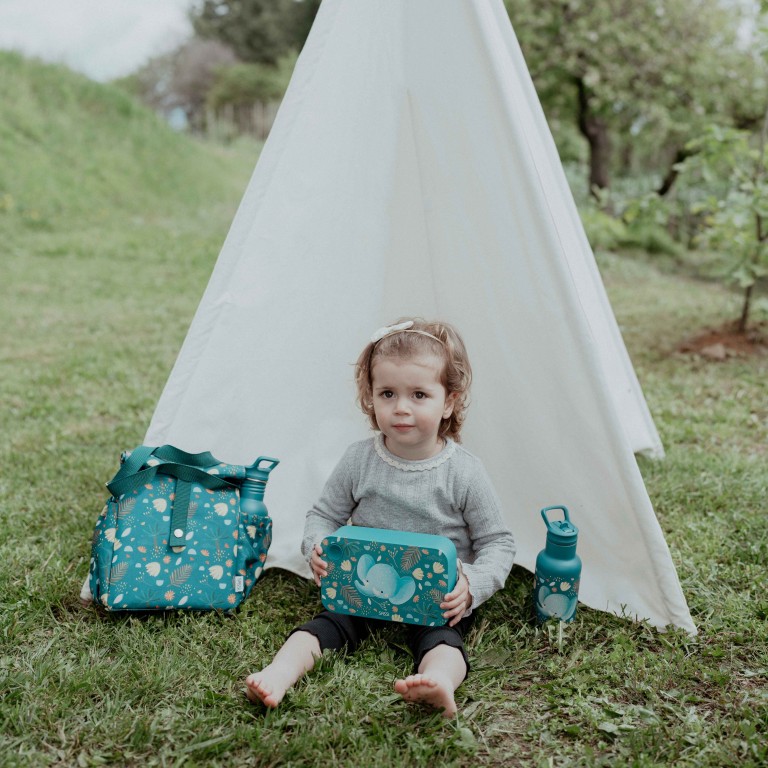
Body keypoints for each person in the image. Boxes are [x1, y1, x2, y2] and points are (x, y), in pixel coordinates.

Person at [246, 318, 515, 717]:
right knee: (327, 626)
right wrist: (316, 545)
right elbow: (324, 514)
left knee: (443, 641)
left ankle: (438, 682)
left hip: (434, 598)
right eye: (388, 393)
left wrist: (472, 584)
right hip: (361, 587)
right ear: (370, 397)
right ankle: (280, 671)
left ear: (450, 401)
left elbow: (498, 542)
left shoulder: (464, 472)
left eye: (419, 394)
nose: (401, 407)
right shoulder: (359, 460)